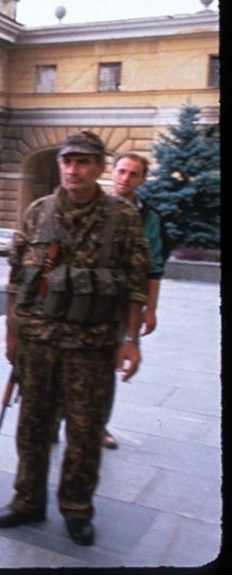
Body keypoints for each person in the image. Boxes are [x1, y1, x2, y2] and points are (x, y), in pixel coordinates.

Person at [0, 130, 149, 547]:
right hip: (38, 344)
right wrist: (12, 334)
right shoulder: (38, 212)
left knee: (84, 431)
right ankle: (27, 499)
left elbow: (135, 284)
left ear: (98, 167)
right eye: (67, 161)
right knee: (32, 427)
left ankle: (77, 508)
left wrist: (131, 339)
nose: (72, 169)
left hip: (92, 347)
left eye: (82, 162)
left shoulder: (122, 217)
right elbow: (15, 278)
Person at [102, 152, 167, 449]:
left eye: (133, 174)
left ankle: (97, 425)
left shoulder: (149, 217)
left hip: (121, 302)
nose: (126, 178)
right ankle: (53, 421)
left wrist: (149, 309)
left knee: (107, 365)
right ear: (113, 173)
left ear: (142, 180)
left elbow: (153, 269)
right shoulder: (95, 205)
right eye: (122, 171)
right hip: (83, 297)